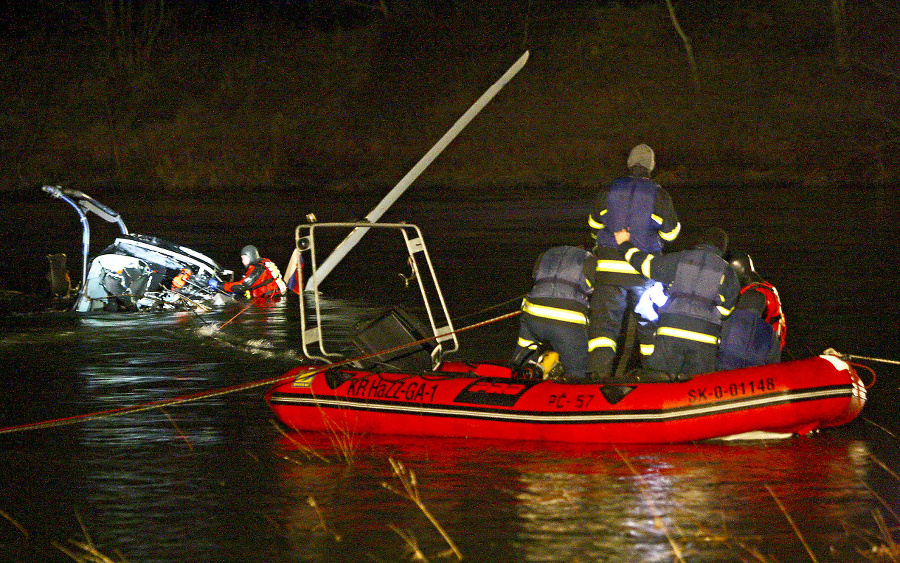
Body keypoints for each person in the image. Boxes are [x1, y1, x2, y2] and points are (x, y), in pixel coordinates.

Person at [587, 143, 681, 380]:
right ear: (651, 167)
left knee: (603, 330)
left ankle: (597, 380)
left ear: (629, 163)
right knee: (649, 329)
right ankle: (655, 379)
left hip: (607, 271)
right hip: (644, 272)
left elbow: (594, 226)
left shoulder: (608, 191)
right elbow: (671, 234)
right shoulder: (658, 195)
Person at [613, 227, 740, 377]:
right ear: (723, 248)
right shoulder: (728, 272)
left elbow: (647, 266)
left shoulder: (680, 259)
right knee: (698, 388)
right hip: (705, 338)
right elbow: (726, 311)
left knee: (660, 381)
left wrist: (624, 244)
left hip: (671, 330)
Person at [512, 245, 597, 382]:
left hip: (533, 316)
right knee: (577, 371)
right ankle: (573, 390)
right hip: (567, 322)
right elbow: (598, 290)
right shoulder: (590, 260)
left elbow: (535, 276)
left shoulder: (547, 254)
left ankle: (517, 380)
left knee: (524, 354)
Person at [716, 251, 785, 370]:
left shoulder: (754, 295)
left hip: (756, 354)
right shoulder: (767, 288)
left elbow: (743, 328)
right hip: (767, 350)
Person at [210, 245, 287, 299]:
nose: (242, 261)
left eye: (244, 258)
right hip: (277, 297)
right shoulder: (266, 262)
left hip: (271, 301)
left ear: (250, 256)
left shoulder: (257, 268)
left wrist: (219, 285)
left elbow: (242, 286)